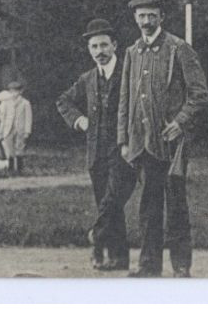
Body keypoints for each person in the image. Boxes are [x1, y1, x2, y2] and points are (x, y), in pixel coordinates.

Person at [117, 0, 208, 277]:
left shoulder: (178, 49)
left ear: (161, 17)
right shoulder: (133, 53)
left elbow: (199, 94)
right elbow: (125, 99)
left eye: (151, 16)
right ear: (135, 18)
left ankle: (181, 266)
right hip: (142, 142)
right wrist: (123, 139)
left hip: (171, 144)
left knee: (176, 205)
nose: (146, 21)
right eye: (141, 16)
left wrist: (180, 122)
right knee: (148, 207)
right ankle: (148, 266)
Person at [57, 17, 137, 271]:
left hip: (123, 149)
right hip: (96, 152)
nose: (100, 52)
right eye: (94, 47)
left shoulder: (129, 73)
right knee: (108, 203)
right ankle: (118, 257)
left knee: (112, 200)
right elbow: (63, 101)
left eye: (104, 45)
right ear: (89, 50)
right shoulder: (88, 79)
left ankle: (97, 238)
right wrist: (79, 120)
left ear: (114, 45)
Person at [0, 80, 33, 176]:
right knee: (9, 149)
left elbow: (28, 118)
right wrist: (1, 131)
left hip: (20, 129)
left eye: (16, 91)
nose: (13, 94)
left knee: (19, 149)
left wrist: (27, 131)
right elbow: (3, 117)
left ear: (21, 91)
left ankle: (19, 170)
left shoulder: (25, 103)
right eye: (11, 91)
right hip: (8, 129)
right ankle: (10, 169)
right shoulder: (6, 103)